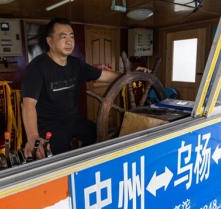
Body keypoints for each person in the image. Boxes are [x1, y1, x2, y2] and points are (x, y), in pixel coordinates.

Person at [21, 18, 151, 159]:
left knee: (100, 136)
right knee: (60, 161)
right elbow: (29, 104)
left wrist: (131, 75)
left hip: (72, 119)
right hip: (49, 125)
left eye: (71, 36)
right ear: (50, 41)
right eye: (63, 37)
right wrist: (33, 136)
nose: (69, 41)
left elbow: (106, 76)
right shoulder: (37, 68)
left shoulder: (76, 65)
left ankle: (81, 160)